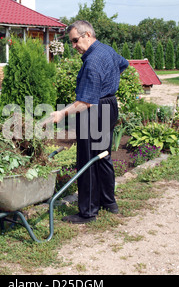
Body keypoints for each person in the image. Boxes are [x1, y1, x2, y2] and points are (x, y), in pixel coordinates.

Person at [48, 20, 129, 224]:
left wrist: (61, 114)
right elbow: (123, 64)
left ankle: (88, 212)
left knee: (87, 160)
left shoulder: (92, 62)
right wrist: (108, 84)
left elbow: (85, 102)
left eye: (75, 41)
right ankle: (109, 202)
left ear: (87, 35)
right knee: (103, 156)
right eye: (72, 42)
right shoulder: (106, 50)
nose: (74, 46)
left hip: (95, 111)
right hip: (109, 105)